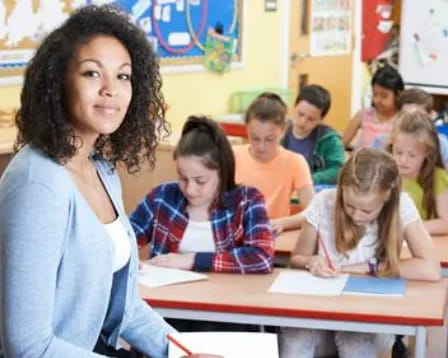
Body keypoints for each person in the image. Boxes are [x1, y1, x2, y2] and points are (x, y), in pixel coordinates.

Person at [0, 5, 218, 358]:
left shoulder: (101, 170)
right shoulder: (37, 186)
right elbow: (29, 349)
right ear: (59, 82)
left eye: (123, 76)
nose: (110, 90)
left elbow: (126, 308)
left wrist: (186, 354)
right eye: (91, 73)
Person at [279, 148, 441, 358]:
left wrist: (371, 267)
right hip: (319, 314)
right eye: (349, 205)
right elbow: (297, 258)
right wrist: (312, 261)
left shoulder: (401, 205)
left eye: (366, 211)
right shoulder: (324, 202)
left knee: (355, 341)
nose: (355, 215)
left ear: (386, 200)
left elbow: (430, 269)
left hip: (371, 319)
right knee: (296, 338)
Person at [130, 115, 274, 273]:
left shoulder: (247, 201)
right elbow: (124, 241)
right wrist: (125, 259)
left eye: (200, 181)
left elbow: (262, 258)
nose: (190, 190)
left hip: (222, 296)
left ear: (223, 172)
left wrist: (193, 260)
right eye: (183, 178)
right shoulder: (161, 197)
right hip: (166, 294)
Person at [232, 93, 314, 232]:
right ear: (247, 128)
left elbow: (313, 212)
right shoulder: (232, 156)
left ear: (283, 130)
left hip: (272, 236)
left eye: (269, 139)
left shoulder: (295, 162)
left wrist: (283, 222)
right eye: (255, 138)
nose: (261, 147)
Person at [388, 109, 448, 235]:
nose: (403, 160)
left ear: (427, 152)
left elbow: (446, 223)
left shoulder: (437, 177)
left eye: (412, 155)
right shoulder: (385, 174)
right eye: (398, 152)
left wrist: (409, 229)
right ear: (391, 145)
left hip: (426, 243)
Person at [281, 84, 344, 185]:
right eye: (300, 114)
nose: (302, 122)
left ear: (320, 120)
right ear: (294, 107)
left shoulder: (330, 140)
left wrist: (310, 179)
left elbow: (338, 170)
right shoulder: (280, 133)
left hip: (314, 192)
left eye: (311, 119)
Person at [343, 65, 404, 149]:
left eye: (384, 96)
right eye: (375, 94)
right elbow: (341, 144)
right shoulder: (363, 115)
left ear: (398, 95)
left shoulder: (402, 120)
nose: (377, 100)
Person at [397, 88, 448, 168]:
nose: (411, 121)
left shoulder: (442, 144)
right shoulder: (382, 141)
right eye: (405, 115)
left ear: (431, 116)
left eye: (418, 116)